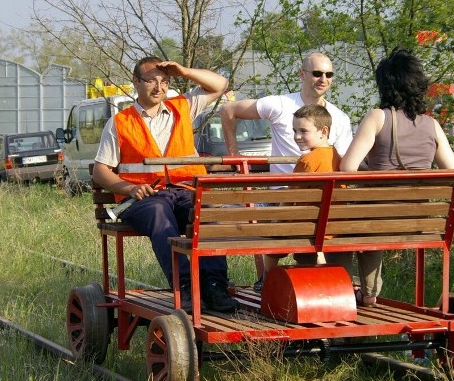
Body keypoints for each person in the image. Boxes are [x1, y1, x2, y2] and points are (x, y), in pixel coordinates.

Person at [92, 57, 239, 314]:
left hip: (185, 192)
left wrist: (184, 71)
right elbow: (100, 170)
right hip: (143, 199)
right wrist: (128, 188)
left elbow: (220, 84)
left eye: (164, 81)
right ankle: (184, 287)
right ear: (136, 82)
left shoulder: (182, 106)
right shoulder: (120, 123)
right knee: (160, 214)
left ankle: (214, 286)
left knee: (208, 212)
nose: (158, 87)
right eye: (151, 80)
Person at [220, 52, 353, 289]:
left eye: (329, 74)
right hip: (301, 198)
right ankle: (321, 282)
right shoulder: (280, 104)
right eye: (317, 73)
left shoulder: (339, 118)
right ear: (302, 75)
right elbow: (228, 110)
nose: (323, 78)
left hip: (305, 201)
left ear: (323, 131)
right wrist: (234, 155)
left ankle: (264, 280)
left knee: (215, 212)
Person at [340, 47, 454, 307]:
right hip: (415, 222)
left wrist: (370, 171)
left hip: (376, 218)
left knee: (339, 225)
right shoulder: (433, 125)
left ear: (385, 85)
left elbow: (347, 168)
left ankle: (341, 291)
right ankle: (369, 293)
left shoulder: (377, 117)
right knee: (366, 223)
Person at [260, 104, 351, 279]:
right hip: (335, 225)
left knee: (274, 234)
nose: (297, 136)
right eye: (294, 131)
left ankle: (267, 277)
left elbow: (290, 198)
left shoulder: (307, 161)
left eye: (303, 131)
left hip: (310, 228)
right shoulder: (337, 156)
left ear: (323, 131)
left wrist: (276, 221)